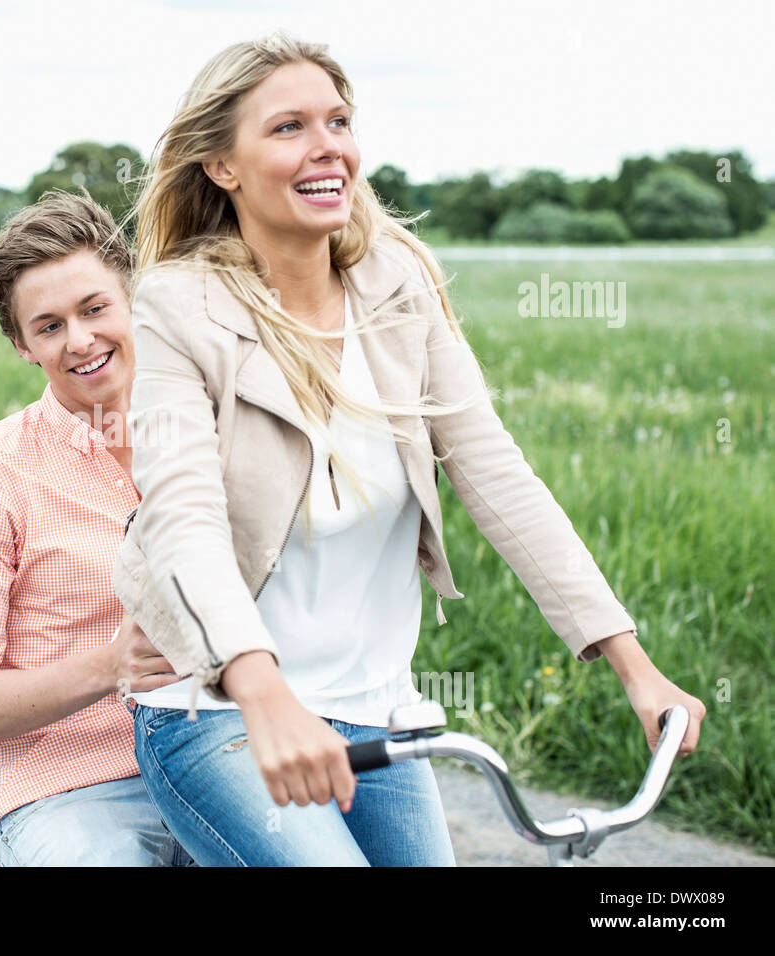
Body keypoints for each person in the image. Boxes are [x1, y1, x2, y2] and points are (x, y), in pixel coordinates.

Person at [110, 32, 707, 867]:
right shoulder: (178, 307)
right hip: (223, 717)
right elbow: (183, 518)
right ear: (222, 166)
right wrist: (261, 692)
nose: (328, 148)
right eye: (288, 128)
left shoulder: (398, 285)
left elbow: (499, 476)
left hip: (376, 712)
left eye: (339, 121)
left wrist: (633, 664)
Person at [0, 189, 195, 866]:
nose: (80, 341)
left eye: (95, 309)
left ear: (135, 301)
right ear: (21, 345)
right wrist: (110, 665)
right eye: (49, 326)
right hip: (72, 790)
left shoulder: (210, 432)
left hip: (221, 763)